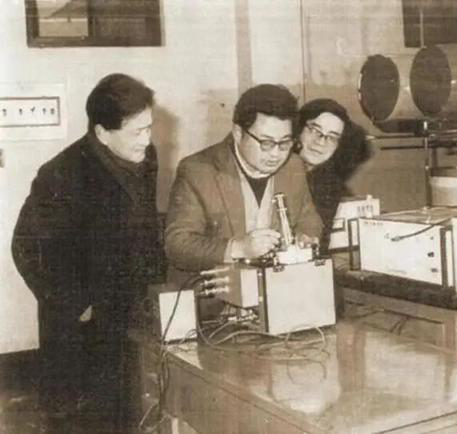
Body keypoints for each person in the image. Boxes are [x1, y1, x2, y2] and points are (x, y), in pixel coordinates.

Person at [12, 73, 163, 432]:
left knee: (132, 411)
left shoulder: (145, 156)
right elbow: (26, 247)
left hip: (130, 312)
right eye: (136, 132)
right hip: (80, 328)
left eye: (149, 128)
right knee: (83, 419)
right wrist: (76, 304)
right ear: (102, 132)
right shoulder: (61, 174)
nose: (147, 140)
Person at [164, 84, 322, 273]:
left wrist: (306, 237)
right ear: (238, 133)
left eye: (285, 143)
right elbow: (177, 245)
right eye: (266, 142)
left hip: (279, 282)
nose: (276, 154)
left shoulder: (293, 165)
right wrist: (236, 248)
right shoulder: (198, 171)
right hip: (216, 286)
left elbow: (309, 219)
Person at [295, 98, 371, 251]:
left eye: (332, 137)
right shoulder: (275, 173)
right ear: (298, 129)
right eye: (315, 130)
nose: (321, 142)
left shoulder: (332, 188)